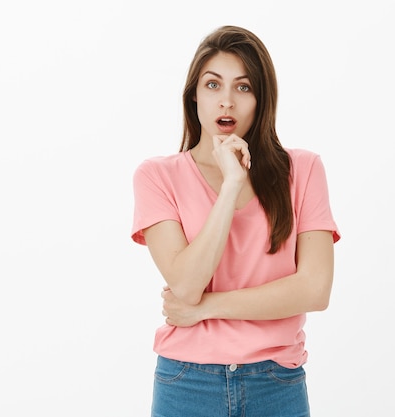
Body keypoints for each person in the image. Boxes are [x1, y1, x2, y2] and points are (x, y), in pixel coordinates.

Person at [131, 25, 340, 417]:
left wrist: (205, 309)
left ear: (262, 99)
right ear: (194, 94)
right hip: (187, 384)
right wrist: (230, 187)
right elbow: (186, 284)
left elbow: (315, 289)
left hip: (276, 382)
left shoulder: (305, 169)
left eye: (243, 87)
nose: (226, 101)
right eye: (213, 85)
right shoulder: (156, 176)